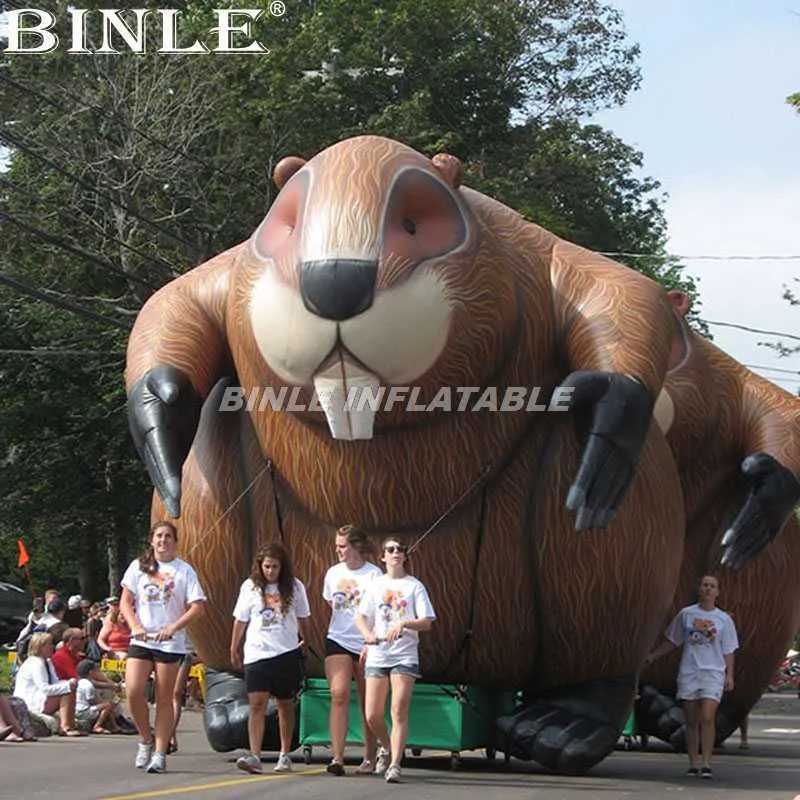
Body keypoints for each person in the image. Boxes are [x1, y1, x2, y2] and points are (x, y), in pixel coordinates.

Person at [120, 520, 207, 774]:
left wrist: (174, 627)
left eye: (168, 536)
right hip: (142, 639)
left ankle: (160, 752)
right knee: (134, 690)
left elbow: (198, 607)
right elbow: (126, 601)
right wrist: (135, 625)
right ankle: (145, 739)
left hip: (169, 644)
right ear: (152, 540)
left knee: (164, 696)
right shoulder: (139, 567)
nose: (163, 540)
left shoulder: (184, 571)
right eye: (159, 536)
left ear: (175, 541)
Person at [356, 537, 436, 784]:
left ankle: (395, 764)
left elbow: (427, 621)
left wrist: (404, 623)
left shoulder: (414, 587)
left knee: (398, 710)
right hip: (379, 653)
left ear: (405, 555)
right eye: (390, 550)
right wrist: (367, 636)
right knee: (372, 714)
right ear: (383, 557)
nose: (395, 553)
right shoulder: (375, 585)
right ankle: (387, 746)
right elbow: (361, 617)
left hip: (404, 654)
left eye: (400, 549)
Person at [645, 574, 739, 779]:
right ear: (699, 589)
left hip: (713, 672)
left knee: (707, 717)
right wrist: (652, 656)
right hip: (690, 671)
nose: (708, 589)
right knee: (691, 720)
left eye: (712, 586)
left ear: (717, 592)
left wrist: (729, 675)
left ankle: (706, 763)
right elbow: (673, 641)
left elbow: (729, 649)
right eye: (704, 585)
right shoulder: (686, 615)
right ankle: (693, 763)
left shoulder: (723, 620)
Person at [230, 542, 310, 775]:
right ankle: (255, 755)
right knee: (257, 705)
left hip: (285, 652)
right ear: (260, 566)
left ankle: (285, 754)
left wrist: (305, 638)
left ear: (282, 567)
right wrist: (234, 647)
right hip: (257, 653)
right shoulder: (250, 587)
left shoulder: (295, 587)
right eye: (266, 566)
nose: (270, 571)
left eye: (275, 567)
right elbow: (240, 619)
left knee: (285, 703)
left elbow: (304, 616)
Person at [322, 524, 382, 776]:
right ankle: (337, 757)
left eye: (343, 546)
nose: (339, 551)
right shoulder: (333, 573)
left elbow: (380, 610)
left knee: (367, 702)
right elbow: (329, 602)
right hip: (338, 638)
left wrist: (371, 640)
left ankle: (369, 756)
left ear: (357, 546)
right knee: (339, 693)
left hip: (366, 641)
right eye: (337, 546)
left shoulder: (374, 575)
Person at [12, 631, 84, 736]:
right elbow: (44, 688)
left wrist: (68, 683)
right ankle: (66, 726)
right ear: (40, 647)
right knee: (67, 691)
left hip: (42, 697)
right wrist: (67, 686)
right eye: (49, 644)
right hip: (31, 700)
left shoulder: (48, 662)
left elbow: (55, 681)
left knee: (69, 688)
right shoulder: (35, 663)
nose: (52, 647)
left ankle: (70, 724)